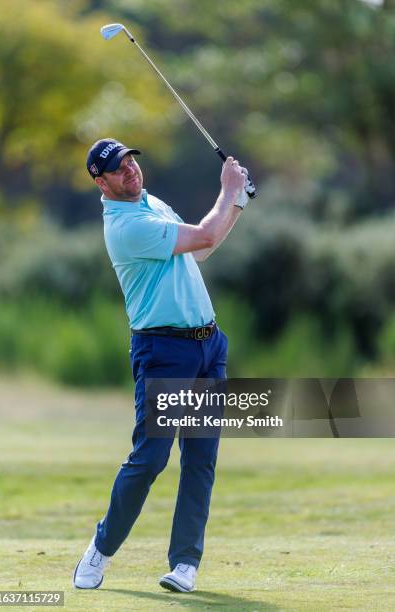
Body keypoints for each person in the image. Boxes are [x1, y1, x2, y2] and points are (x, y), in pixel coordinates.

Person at [73, 138, 250, 593]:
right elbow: (206, 235)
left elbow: (201, 250)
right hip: (164, 351)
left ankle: (185, 564)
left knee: (200, 459)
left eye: (131, 161)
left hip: (208, 344)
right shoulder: (126, 226)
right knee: (151, 458)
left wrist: (238, 202)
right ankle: (101, 548)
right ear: (101, 181)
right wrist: (229, 190)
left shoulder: (151, 203)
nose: (130, 170)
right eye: (118, 168)